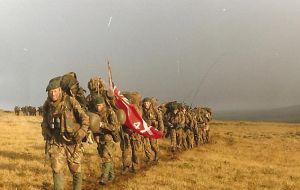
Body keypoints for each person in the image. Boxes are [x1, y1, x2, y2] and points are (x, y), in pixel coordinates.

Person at [41, 76, 90, 190]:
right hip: (56, 141)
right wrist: (45, 131)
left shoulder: (70, 101)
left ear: (60, 90)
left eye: (55, 91)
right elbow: (44, 122)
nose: (53, 94)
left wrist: (82, 131)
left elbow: (85, 119)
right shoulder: (47, 105)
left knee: (75, 169)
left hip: (72, 141)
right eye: (50, 92)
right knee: (56, 168)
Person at [92, 95, 119, 185]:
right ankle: (111, 175)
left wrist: (102, 125)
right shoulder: (95, 113)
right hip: (99, 138)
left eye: (99, 105)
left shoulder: (110, 112)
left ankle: (104, 177)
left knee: (105, 156)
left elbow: (115, 127)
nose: (98, 107)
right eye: (96, 105)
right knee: (106, 157)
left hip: (109, 137)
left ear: (103, 105)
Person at [142, 97, 164, 162]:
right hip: (145, 130)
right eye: (145, 103)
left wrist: (161, 130)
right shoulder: (141, 111)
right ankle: (150, 158)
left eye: (147, 103)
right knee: (146, 146)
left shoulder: (155, 111)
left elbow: (160, 121)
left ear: (150, 103)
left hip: (153, 130)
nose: (146, 104)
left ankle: (157, 154)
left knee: (153, 145)